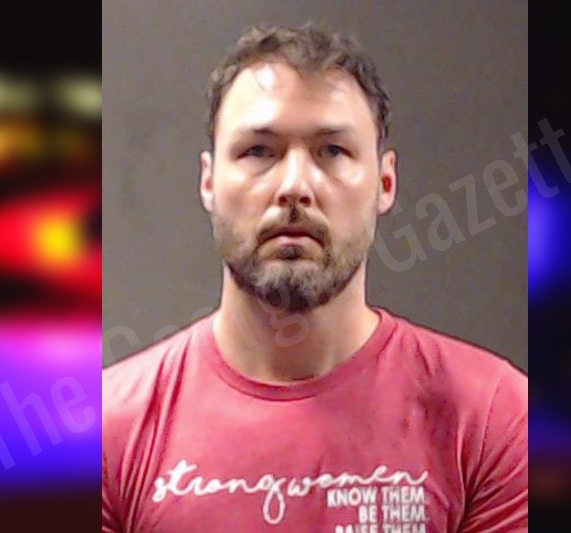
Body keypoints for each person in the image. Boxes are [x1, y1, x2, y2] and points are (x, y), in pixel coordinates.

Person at [103, 23, 527, 532]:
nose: (294, 185)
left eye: (332, 151)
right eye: (259, 151)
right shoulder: (107, 432)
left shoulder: (492, 417)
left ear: (385, 182)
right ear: (209, 181)